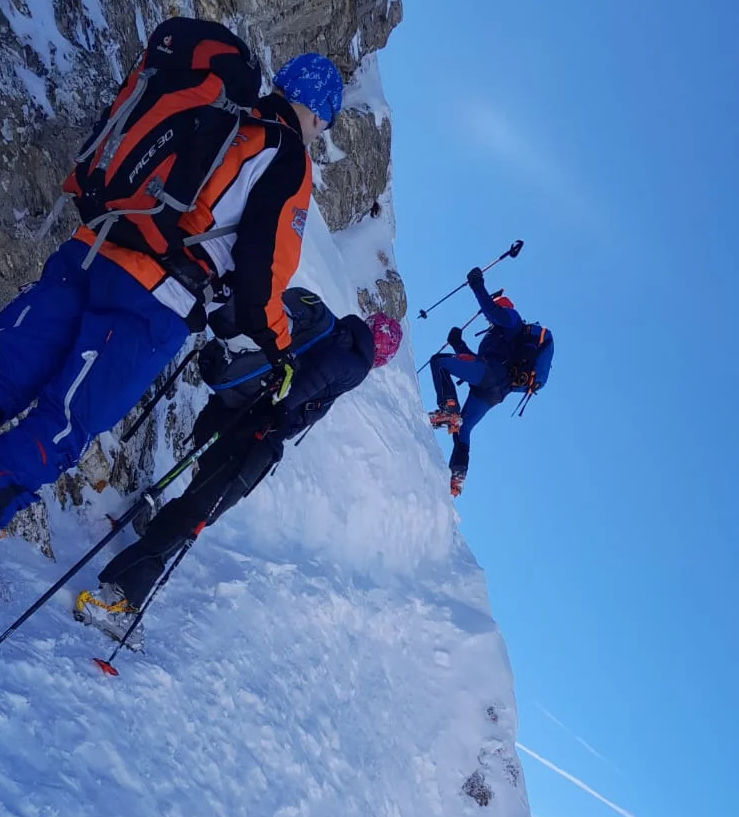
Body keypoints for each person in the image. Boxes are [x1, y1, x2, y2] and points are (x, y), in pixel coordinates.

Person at [0, 19, 344, 609]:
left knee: (1, 375)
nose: (319, 134)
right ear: (317, 114)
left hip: (88, 252)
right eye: (325, 124)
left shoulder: (221, 113)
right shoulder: (286, 154)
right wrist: (277, 341)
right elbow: (264, 269)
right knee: (66, 420)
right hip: (150, 300)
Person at [73, 297, 402, 640]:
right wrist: (281, 413)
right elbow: (312, 380)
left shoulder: (331, 329)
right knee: (196, 516)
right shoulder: (355, 362)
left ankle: (143, 545)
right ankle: (117, 597)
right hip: (253, 438)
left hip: (227, 412)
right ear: (381, 353)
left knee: (193, 505)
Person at [427, 267, 553, 496]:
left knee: (439, 362)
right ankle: (457, 478)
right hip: (494, 390)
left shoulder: (512, 320)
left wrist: (477, 285)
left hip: (490, 376)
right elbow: (475, 362)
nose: (487, 318)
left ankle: (447, 409)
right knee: (462, 429)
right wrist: (458, 343)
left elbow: (493, 312)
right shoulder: (501, 337)